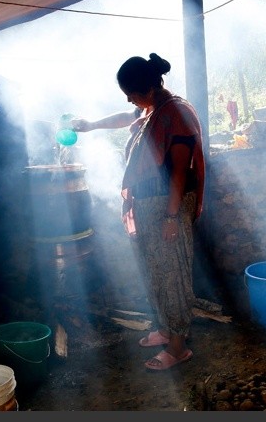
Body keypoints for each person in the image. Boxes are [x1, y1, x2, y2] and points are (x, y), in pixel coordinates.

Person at [71, 53, 205, 371]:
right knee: (155, 271)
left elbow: (179, 173)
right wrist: (90, 126)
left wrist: (171, 217)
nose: (129, 99)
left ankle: (178, 347)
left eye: (130, 93)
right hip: (149, 205)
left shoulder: (176, 113)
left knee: (172, 275)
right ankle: (164, 328)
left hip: (166, 206)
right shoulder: (153, 109)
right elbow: (125, 117)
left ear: (144, 89)